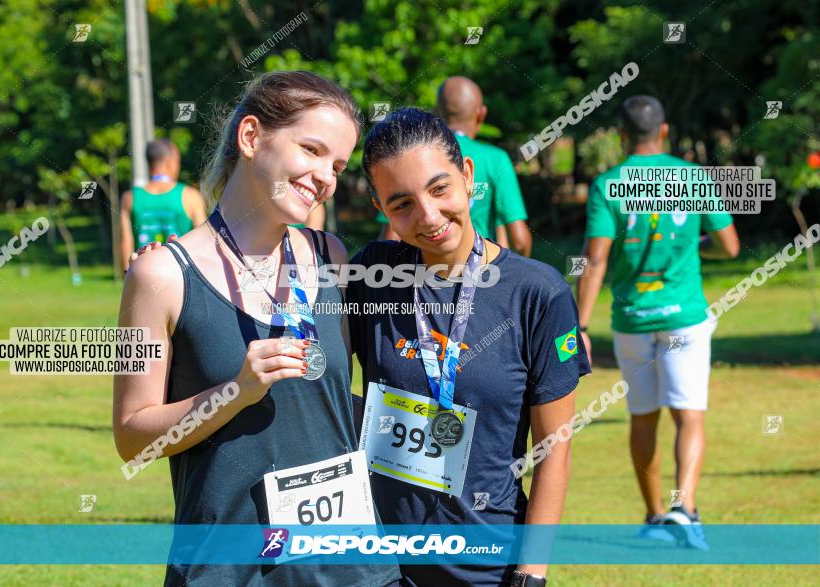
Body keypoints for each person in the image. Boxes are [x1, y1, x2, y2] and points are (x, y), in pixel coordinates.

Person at [113, 71, 400, 587]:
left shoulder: (330, 256)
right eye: (310, 150)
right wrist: (234, 393)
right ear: (251, 138)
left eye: (336, 164)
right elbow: (132, 439)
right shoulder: (159, 275)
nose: (325, 177)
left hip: (349, 568)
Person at [350, 108, 590, 586]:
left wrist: (531, 574)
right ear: (381, 209)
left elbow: (553, 450)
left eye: (440, 189)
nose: (429, 217)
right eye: (402, 205)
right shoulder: (369, 276)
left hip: (488, 564)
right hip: (380, 566)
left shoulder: (537, 293)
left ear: (468, 174)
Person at [576, 95, 740, 548]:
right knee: (689, 416)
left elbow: (595, 259)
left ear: (622, 136)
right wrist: (695, 245)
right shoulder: (692, 176)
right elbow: (729, 246)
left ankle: (653, 517)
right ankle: (683, 510)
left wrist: (582, 327)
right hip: (684, 316)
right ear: (664, 131)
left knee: (642, 417)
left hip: (632, 319)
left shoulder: (609, 184)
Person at [377, 76, 532, 257]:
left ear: (436, 112)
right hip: (481, 273)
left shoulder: (408, 157)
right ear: (481, 114)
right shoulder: (495, 159)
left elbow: (390, 237)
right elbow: (520, 241)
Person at [120, 138, 207, 272]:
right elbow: (203, 242)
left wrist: (128, 278)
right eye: (178, 161)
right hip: (182, 277)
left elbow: (125, 244)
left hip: (143, 274)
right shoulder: (191, 196)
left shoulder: (129, 198)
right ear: (170, 162)